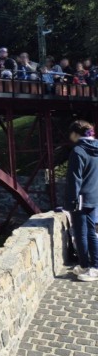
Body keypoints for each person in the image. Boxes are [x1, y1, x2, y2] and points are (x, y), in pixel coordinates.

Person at [65, 120, 98, 281]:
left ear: (75, 134)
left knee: (81, 234)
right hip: (94, 196)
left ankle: (91, 267)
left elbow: (74, 180)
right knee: (91, 232)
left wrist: (71, 202)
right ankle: (90, 265)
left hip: (80, 199)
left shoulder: (78, 151)